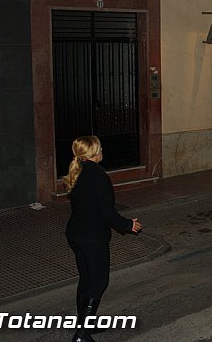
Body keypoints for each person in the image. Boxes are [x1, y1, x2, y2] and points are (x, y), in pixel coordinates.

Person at [64, 136, 142, 342]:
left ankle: (86, 324)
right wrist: (127, 225)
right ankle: (81, 335)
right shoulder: (98, 176)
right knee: (98, 281)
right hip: (92, 236)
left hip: (76, 233)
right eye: (99, 148)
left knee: (87, 278)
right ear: (93, 153)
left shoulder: (77, 170)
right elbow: (106, 211)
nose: (102, 150)